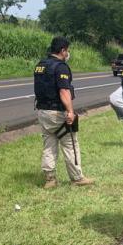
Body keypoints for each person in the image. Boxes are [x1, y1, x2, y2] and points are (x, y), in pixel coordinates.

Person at [33, 36, 94, 189]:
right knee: (70, 143)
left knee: (49, 143)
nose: (68, 53)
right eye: (67, 50)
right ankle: (77, 177)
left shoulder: (40, 65)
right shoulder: (60, 67)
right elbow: (64, 91)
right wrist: (70, 112)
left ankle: (50, 179)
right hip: (57, 112)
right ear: (62, 50)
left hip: (42, 111)